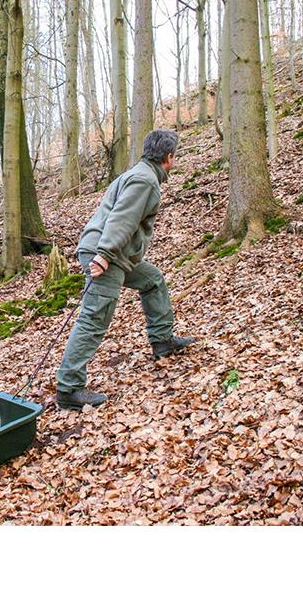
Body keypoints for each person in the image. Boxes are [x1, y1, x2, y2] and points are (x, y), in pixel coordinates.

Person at [55, 129, 195, 411]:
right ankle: (69, 388)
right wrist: (104, 255)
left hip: (115, 254)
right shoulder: (145, 180)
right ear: (169, 157)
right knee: (94, 318)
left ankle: (162, 340)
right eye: (175, 156)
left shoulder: (138, 174)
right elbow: (123, 218)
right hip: (107, 254)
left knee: (152, 280)